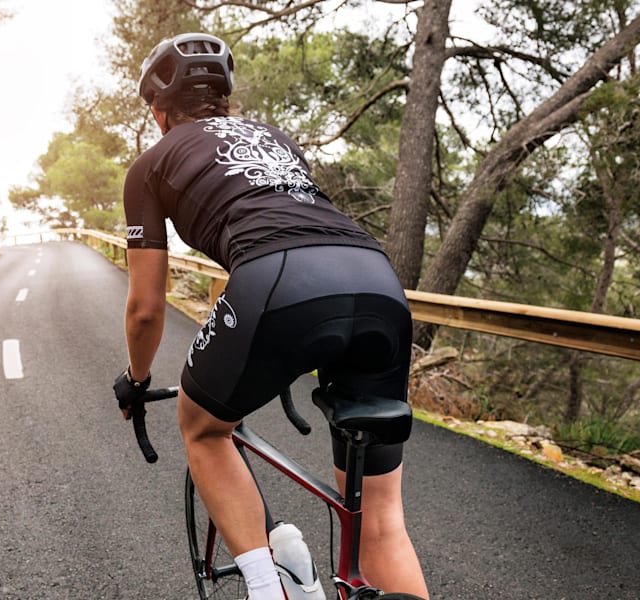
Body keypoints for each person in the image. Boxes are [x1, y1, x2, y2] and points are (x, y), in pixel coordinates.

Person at [111, 33, 429, 600]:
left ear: (159, 111)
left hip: (277, 281)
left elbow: (145, 308)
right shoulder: (274, 138)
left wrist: (136, 381)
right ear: (224, 99)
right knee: (380, 520)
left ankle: (270, 588)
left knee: (204, 426)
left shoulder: (151, 163)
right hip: (377, 281)